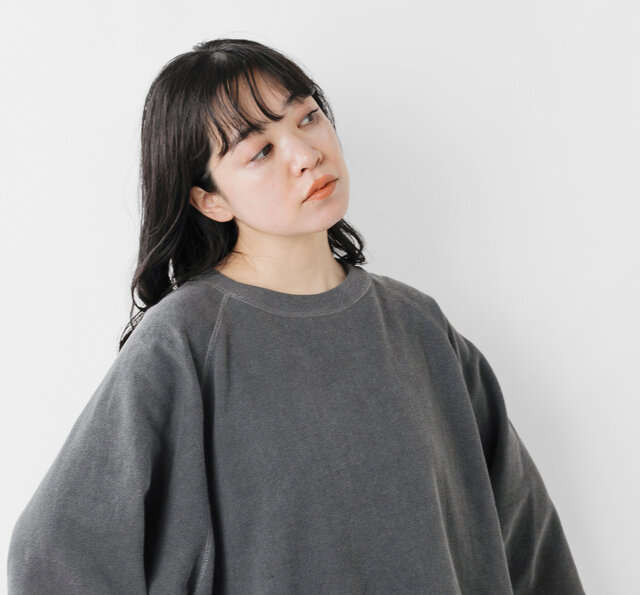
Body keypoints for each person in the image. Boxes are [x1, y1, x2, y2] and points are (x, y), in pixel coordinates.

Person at [7, 38, 585, 594]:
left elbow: (528, 545)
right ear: (210, 199)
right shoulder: (183, 343)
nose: (307, 155)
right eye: (260, 151)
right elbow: (54, 560)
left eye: (308, 118)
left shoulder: (419, 327)